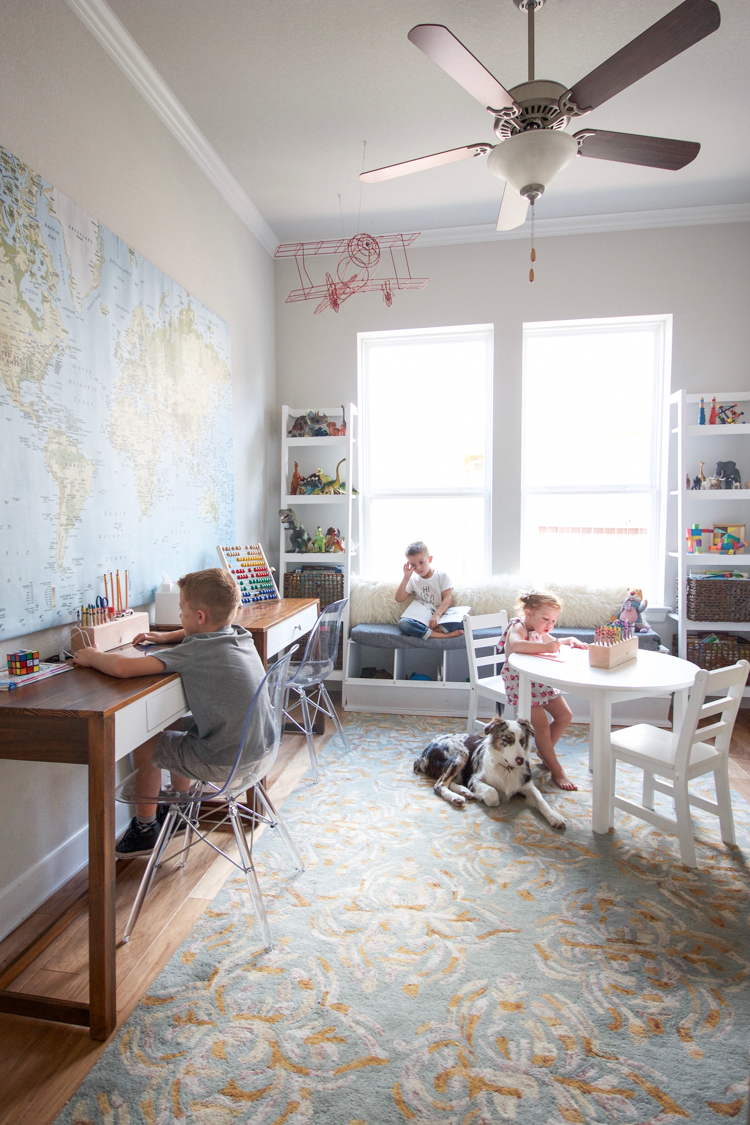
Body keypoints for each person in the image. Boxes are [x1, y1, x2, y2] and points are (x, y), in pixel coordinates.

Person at [73, 568, 266, 856]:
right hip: (258, 751)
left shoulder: (195, 652)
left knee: (145, 738)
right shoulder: (240, 634)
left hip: (224, 762)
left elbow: (122, 668)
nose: (179, 616)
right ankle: (181, 806)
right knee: (172, 723)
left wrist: (93, 656)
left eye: (182, 611)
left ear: (199, 616)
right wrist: (166, 637)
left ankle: (145, 828)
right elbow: (198, 633)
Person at [499, 590, 587, 791]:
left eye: (553, 621)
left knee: (565, 715)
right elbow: (517, 645)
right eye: (546, 619)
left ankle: (545, 752)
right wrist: (547, 648)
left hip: (538, 680)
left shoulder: (538, 629)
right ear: (528, 613)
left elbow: (550, 641)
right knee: (542, 728)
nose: (549, 624)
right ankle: (556, 769)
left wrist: (569, 640)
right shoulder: (519, 627)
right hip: (521, 683)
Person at [395, 541, 463, 639]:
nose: (418, 568)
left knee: (463, 619)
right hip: (421, 618)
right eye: (413, 565)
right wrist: (406, 577)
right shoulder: (413, 580)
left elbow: (447, 598)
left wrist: (437, 615)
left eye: (421, 562)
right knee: (403, 624)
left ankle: (424, 631)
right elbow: (399, 598)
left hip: (440, 616)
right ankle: (444, 635)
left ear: (430, 559)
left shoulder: (441, 576)